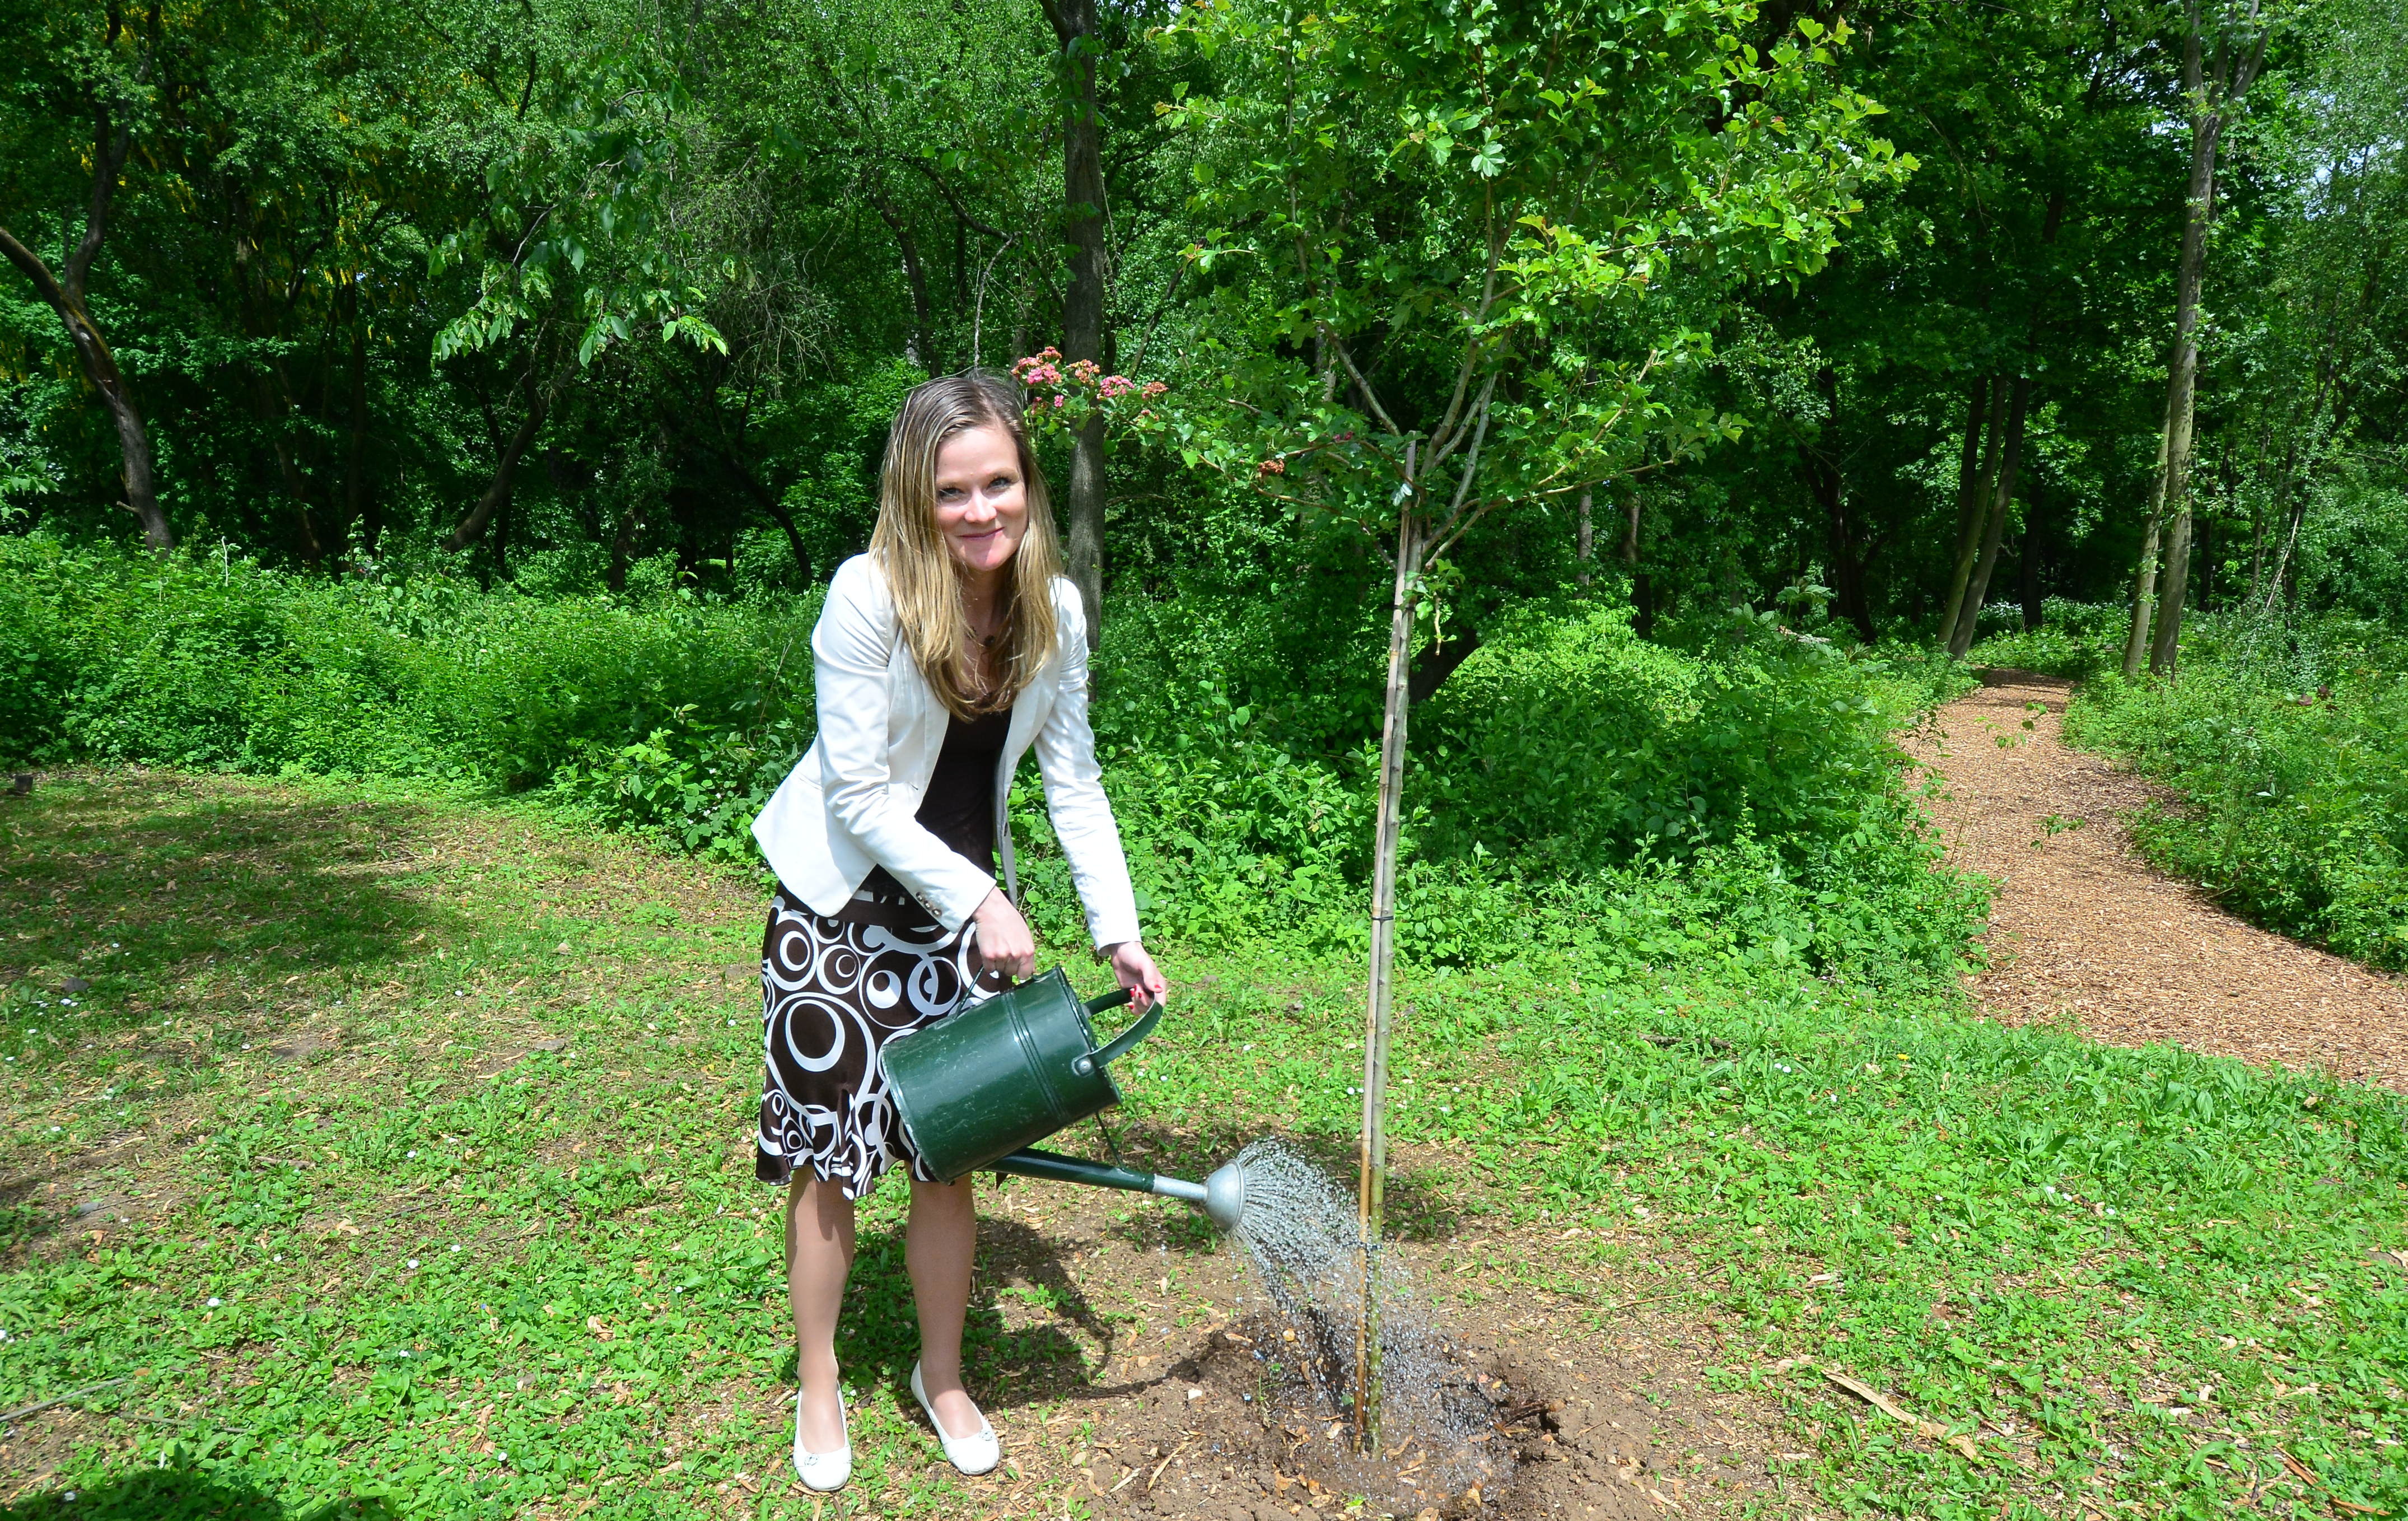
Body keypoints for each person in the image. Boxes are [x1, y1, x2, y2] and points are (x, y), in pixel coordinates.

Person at [747, 371, 1166, 1492]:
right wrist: (980, 898)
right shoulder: (864, 597)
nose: (981, 510)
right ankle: (824, 1377)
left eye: (1000, 483)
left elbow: (1071, 780)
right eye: (952, 491)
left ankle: (942, 1376)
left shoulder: (1055, 609)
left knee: (947, 1151)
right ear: (913, 495)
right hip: (836, 906)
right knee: (829, 1158)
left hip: (956, 918)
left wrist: (1113, 927)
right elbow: (856, 794)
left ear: (1027, 483)